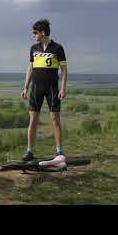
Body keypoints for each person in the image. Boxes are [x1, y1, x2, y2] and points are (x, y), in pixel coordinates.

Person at [21, 19, 68, 162]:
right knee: (33, 120)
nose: (33, 35)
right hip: (36, 88)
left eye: (35, 32)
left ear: (42, 32)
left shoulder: (58, 48)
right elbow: (30, 68)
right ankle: (29, 151)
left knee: (55, 120)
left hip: (52, 89)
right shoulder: (33, 48)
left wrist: (63, 88)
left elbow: (64, 70)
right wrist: (25, 87)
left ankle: (59, 151)